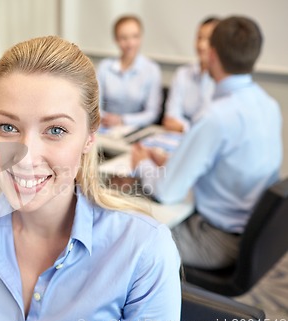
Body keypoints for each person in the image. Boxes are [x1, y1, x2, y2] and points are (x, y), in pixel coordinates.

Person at [0, 36, 181, 321]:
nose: (25, 159)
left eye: (55, 130)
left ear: (89, 136)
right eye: (7, 127)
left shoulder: (144, 250)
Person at [132, 16, 283, 270]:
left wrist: (142, 163)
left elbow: (167, 192)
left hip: (216, 239)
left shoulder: (216, 116)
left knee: (129, 236)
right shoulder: (269, 105)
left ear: (211, 54)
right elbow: (229, 166)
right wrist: (172, 162)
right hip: (250, 234)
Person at [97, 15, 162, 128]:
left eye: (135, 36)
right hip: (105, 126)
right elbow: (94, 105)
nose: (130, 43)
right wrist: (105, 118)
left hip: (135, 129)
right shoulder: (104, 67)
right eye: (123, 38)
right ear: (116, 40)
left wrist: (122, 120)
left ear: (141, 37)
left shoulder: (151, 70)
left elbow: (152, 113)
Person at [163, 17, 220, 133]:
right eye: (199, 38)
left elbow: (212, 126)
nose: (202, 45)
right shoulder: (182, 74)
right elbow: (171, 117)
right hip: (178, 138)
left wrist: (184, 127)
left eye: (208, 39)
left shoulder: (222, 80)